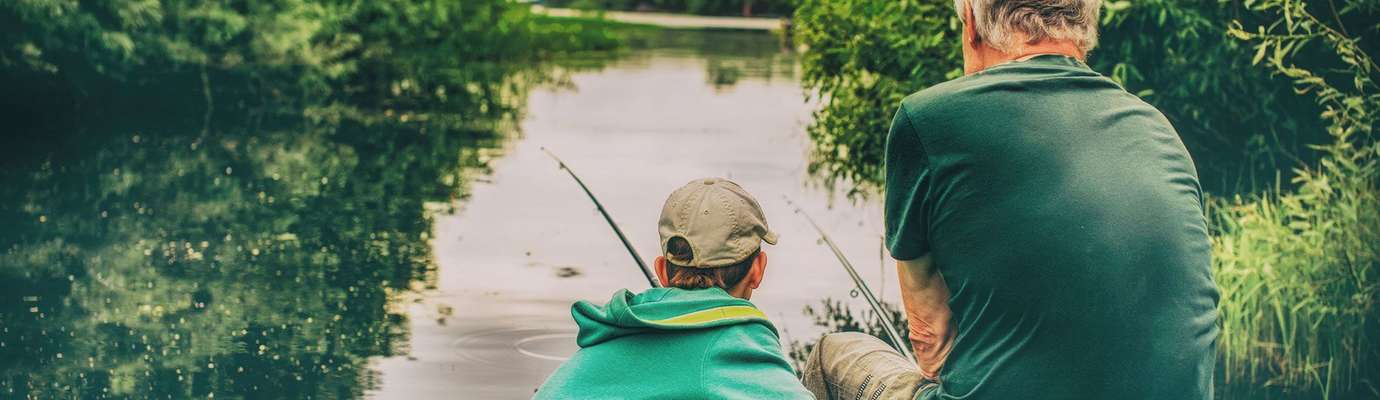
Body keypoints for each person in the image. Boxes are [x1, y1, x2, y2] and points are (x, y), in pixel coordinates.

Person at [801, 0, 1220, 399]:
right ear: (1085, 25)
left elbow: (931, 337)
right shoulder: (1156, 129)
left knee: (831, 357)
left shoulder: (929, 118)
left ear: (971, 22)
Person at [534, 177, 813, 399]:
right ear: (757, 269)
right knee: (832, 352)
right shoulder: (736, 344)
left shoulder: (599, 342)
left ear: (661, 272)